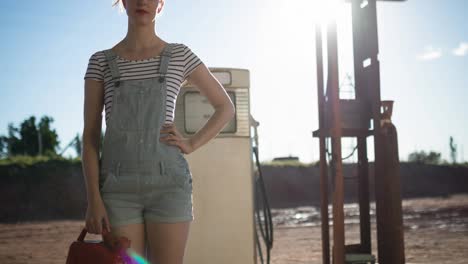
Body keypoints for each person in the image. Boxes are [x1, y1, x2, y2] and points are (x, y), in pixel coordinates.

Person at [81, 0, 235, 263]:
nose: (143, 2)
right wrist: (93, 198)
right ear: (124, 2)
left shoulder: (180, 54)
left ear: (160, 5)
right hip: (118, 192)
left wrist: (192, 143)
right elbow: (91, 137)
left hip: (169, 187)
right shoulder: (100, 62)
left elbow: (225, 108)